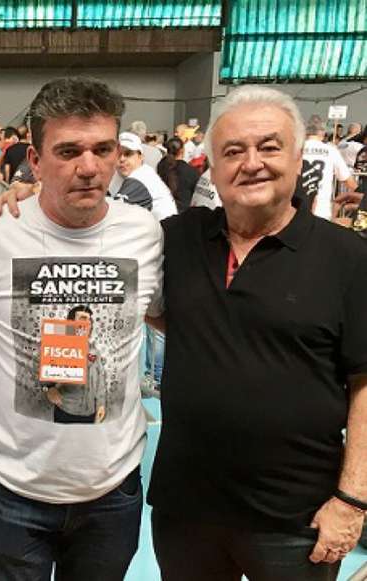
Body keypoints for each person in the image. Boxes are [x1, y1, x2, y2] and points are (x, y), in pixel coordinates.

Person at [148, 85, 367, 581]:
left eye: (269, 147)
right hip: (187, 511)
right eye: (233, 151)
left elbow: (365, 384)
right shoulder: (179, 240)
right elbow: (98, 233)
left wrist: (352, 500)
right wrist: (26, 193)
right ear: (212, 166)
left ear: (296, 157)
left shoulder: (346, 258)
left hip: (298, 520)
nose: (252, 163)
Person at [0, 77, 164, 580]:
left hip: (112, 493)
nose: (88, 167)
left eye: (102, 149)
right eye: (68, 151)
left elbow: (156, 314)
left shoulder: (145, 233)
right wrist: (15, 367)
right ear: (35, 157)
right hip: (15, 491)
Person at [113, 131, 178, 221]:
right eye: (118, 155)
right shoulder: (140, 172)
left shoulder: (140, 177)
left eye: (128, 154)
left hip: (165, 233)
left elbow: (113, 217)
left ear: (141, 156)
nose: (122, 159)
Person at [301, 119, 357, 220]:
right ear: (322, 133)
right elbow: (348, 180)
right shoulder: (331, 150)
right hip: (322, 211)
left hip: (295, 209)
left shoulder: (296, 149)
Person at [157, 136, 199, 212]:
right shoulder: (191, 171)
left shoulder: (161, 166)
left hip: (163, 211)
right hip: (183, 213)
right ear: (182, 151)